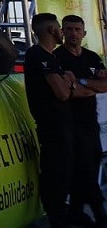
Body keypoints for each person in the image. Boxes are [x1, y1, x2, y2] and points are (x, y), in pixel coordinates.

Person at [24, 12, 90, 228]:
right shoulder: (38, 55)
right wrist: (70, 83)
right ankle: (58, 219)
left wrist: (70, 82)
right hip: (53, 129)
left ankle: (68, 214)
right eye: (61, 29)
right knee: (56, 176)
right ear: (52, 30)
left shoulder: (51, 57)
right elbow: (62, 92)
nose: (63, 33)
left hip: (63, 126)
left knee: (66, 173)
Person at [54, 14, 107, 227]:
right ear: (62, 31)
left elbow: (105, 86)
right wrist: (91, 86)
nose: (73, 34)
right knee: (82, 169)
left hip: (90, 123)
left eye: (77, 30)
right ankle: (99, 214)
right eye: (69, 29)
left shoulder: (92, 57)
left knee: (91, 165)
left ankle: (76, 213)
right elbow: (68, 92)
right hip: (69, 124)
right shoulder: (57, 57)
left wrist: (81, 81)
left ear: (84, 33)